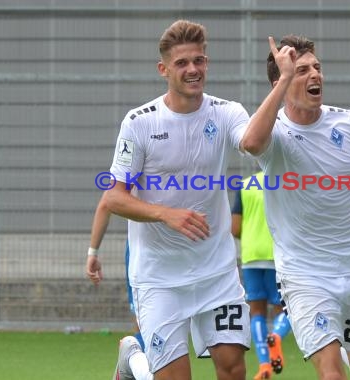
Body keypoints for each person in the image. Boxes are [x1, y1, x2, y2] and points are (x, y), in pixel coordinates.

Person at [239, 35, 350, 380]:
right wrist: (285, 78)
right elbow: (250, 143)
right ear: (281, 81)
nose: (315, 75)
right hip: (305, 275)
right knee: (332, 374)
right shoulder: (275, 134)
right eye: (301, 70)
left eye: (317, 67)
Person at [103, 19, 251, 380]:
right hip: (158, 277)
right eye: (182, 63)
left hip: (216, 272)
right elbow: (114, 198)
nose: (193, 70)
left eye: (199, 60)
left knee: (233, 370)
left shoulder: (227, 112)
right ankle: (133, 359)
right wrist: (164, 214)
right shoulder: (139, 122)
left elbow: (252, 142)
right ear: (163, 69)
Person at [231, 171, 292, 379]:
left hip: (251, 256)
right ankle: (276, 335)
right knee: (285, 308)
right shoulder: (286, 182)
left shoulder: (245, 185)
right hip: (278, 254)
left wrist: (250, 235)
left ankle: (264, 365)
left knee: (256, 312)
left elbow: (235, 227)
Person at [85, 193, 152, 380]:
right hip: (146, 258)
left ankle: (131, 356)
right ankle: (133, 356)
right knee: (147, 330)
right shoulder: (137, 165)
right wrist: (93, 252)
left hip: (196, 253)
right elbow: (108, 201)